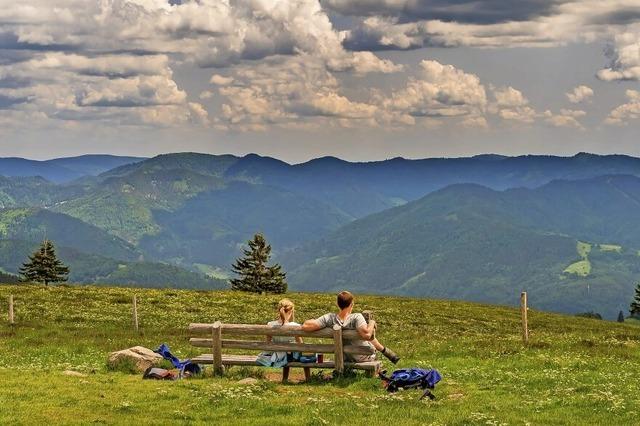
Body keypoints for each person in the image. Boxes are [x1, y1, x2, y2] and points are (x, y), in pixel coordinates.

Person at [301, 291, 399, 364]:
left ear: (338, 304)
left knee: (367, 338)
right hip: (364, 356)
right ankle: (386, 352)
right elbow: (367, 335)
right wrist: (372, 322)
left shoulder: (330, 318)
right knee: (370, 340)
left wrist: (311, 320)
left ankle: (386, 351)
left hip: (344, 356)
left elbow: (306, 326)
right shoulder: (356, 317)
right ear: (352, 304)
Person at [256, 298, 311, 382]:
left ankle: (285, 379)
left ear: (279, 311)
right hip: (289, 356)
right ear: (290, 312)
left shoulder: (270, 324)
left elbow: (268, 342)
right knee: (305, 354)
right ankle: (308, 378)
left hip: (276, 355)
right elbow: (300, 343)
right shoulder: (295, 326)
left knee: (286, 352)